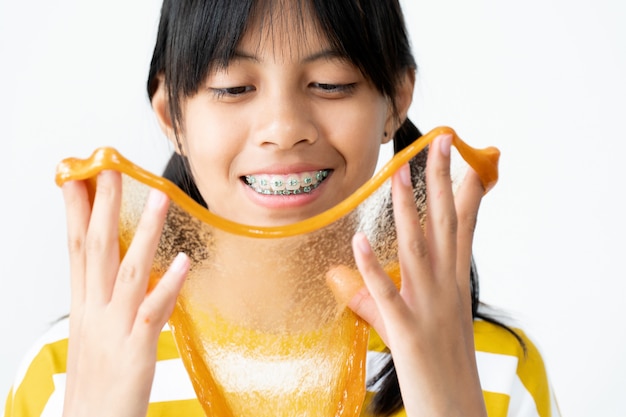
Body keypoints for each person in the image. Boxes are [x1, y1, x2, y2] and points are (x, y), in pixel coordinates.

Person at [4, 0, 560, 416]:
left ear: (396, 99)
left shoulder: (497, 367)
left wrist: (451, 402)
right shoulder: (64, 370)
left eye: (330, 82)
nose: (283, 129)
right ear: (171, 116)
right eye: (233, 87)